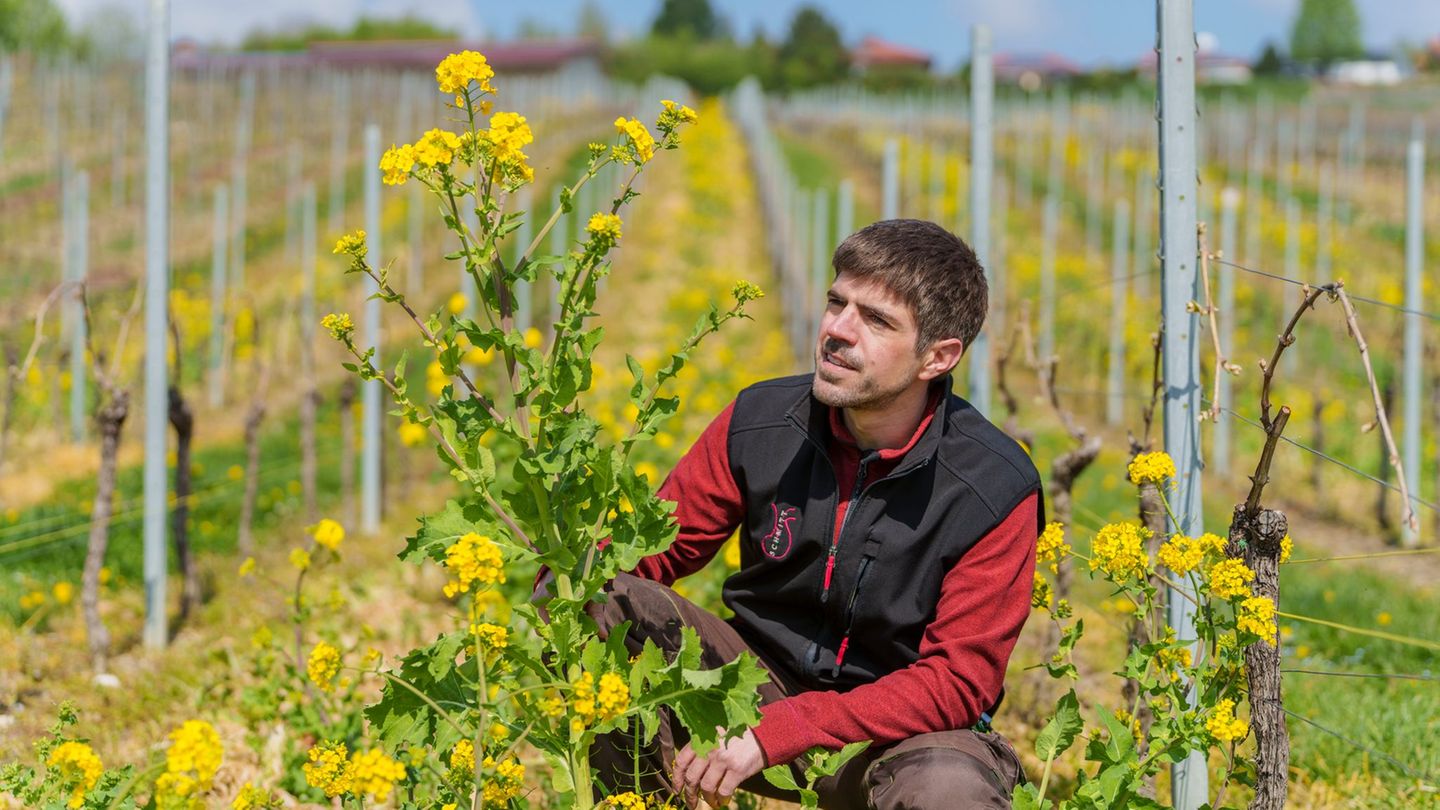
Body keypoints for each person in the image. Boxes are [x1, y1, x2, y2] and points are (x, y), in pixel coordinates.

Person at [591, 219, 1043, 809]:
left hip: (891, 740)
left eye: (876, 320)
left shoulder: (993, 486)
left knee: (949, 790)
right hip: (747, 691)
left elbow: (958, 682)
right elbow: (654, 549)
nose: (837, 330)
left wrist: (786, 731)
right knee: (598, 597)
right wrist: (572, 578)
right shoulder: (760, 421)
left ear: (939, 356)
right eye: (837, 302)